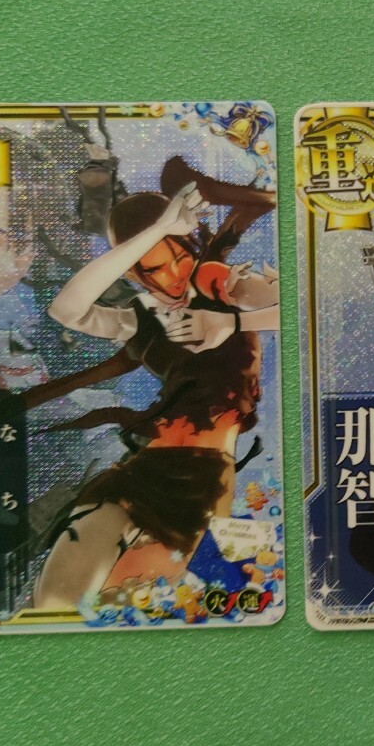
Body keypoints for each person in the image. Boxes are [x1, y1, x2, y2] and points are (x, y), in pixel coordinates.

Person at [33, 156, 278, 608]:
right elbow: (66, 310)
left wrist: (229, 324)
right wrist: (160, 226)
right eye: (155, 267)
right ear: (134, 273)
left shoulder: (219, 283)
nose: (175, 274)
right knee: (55, 601)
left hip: (206, 480)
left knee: (146, 605)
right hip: (144, 470)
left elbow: (298, 307)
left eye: (180, 255)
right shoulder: (138, 320)